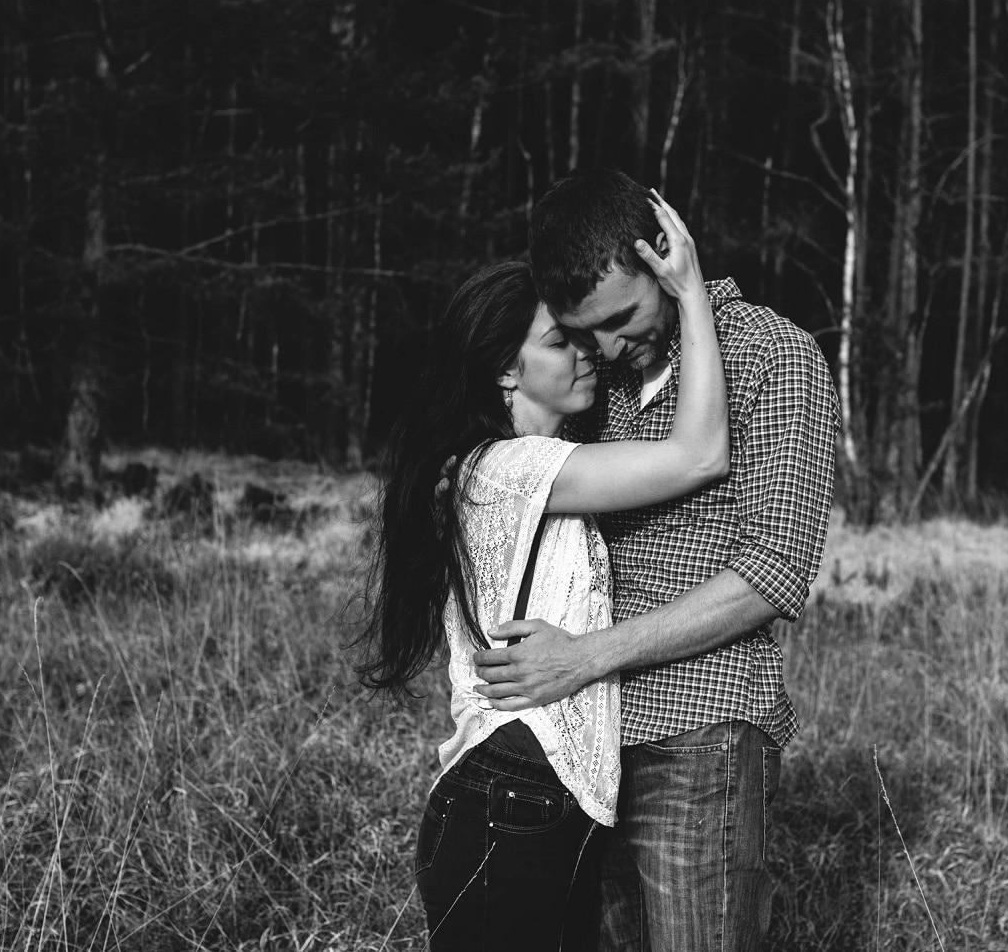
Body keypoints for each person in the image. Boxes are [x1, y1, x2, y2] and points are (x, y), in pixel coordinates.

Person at [472, 168, 840, 951]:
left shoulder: (774, 359)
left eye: (621, 317)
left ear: (665, 259)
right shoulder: (593, 383)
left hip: (699, 728)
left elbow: (772, 574)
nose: (607, 346)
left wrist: (585, 657)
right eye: (584, 332)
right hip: (586, 745)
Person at [356, 193, 727, 949]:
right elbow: (699, 455)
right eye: (561, 342)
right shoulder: (512, 469)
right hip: (507, 805)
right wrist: (690, 294)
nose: (588, 351)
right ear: (504, 372)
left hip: (532, 807)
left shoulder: (498, 471)